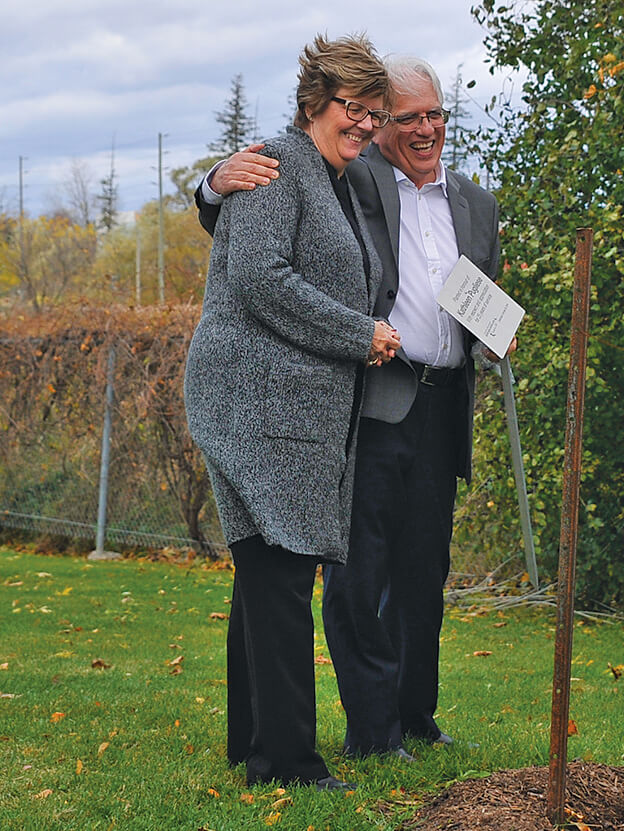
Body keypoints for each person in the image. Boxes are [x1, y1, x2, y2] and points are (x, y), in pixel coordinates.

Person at [198, 56, 508, 758]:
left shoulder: (474, 203)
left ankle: (412, 716)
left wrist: (498, 332)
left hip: (442, 402)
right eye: (405, 117)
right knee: (354, 576)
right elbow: (257, 211)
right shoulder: (351, 174)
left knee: (423, 572)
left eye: (434, 114)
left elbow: (477, 295)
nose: (423, 128)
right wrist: (213, 180)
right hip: (366, 399)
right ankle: (368, 733)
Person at [183, 34, 398, 790]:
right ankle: (290, 763)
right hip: (258, 402)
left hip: (284, 404)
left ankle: (255, 745)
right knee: (278, 579)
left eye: (376, 113)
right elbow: (261, 278)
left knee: (264, 578)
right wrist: (359, 331)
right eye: (354, 108)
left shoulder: (332, 176)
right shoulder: (275, 165)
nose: (367, 124)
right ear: (315, 102)